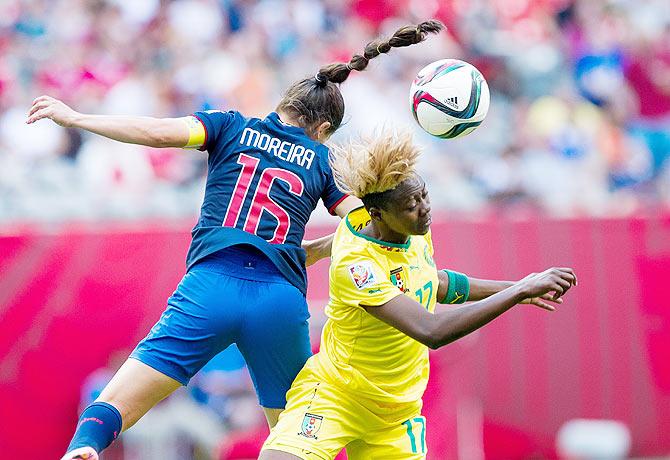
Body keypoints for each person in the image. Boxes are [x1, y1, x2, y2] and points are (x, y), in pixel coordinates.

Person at [25, 20, 445, 460]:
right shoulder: (323, 160)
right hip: (279, 303)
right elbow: (362, 224)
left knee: (115, 404)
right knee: (296, 444)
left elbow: (154, 133)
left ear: (284, 104)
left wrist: (75, 117)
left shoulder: (229, 126)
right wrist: (320, 251)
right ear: (323, 129)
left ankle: (85, 447)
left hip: (211, 287)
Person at [259, 130, 578, 460]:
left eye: (424, 196)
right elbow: (431, 331)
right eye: (412, 205)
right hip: (339, 397)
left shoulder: (411, 233)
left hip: (396, 415)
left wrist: (516, 288)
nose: (425, 209)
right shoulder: (357, 267)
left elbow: (435, 284)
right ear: (378, 214)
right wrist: (518, 292)